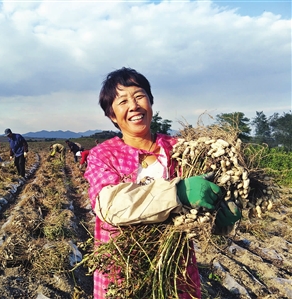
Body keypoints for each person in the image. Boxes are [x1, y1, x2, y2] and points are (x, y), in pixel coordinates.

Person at [84, 67, 241, 299]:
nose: (134, 106)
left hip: (176, 270)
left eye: (139, 96)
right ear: (112, 116)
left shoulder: (182, 150)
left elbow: (202, 208)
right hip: (123, 271)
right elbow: (109, 205)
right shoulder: (103, 155)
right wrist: (177, 192)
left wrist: (221, 217)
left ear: (151, 102)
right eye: (122, 101)